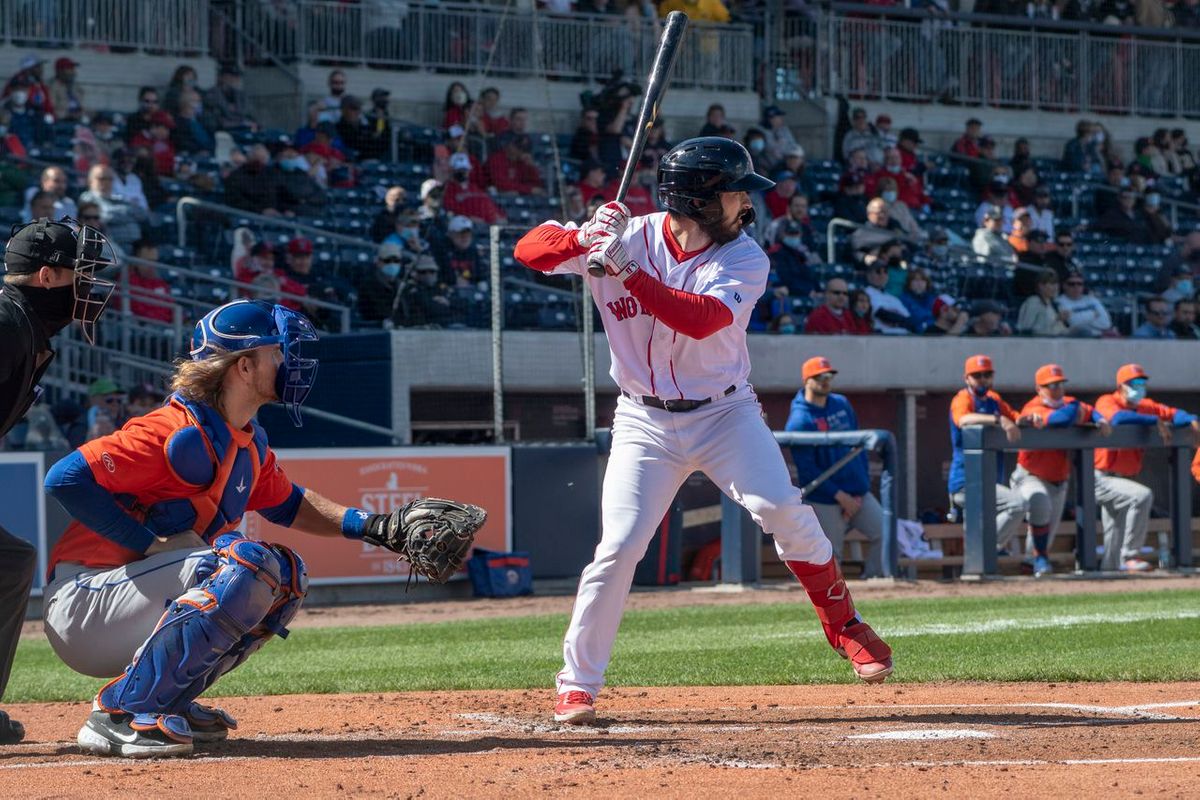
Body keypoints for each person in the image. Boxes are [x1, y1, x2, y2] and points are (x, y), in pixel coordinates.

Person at [513, 136, 893, 725]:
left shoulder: (744, 258)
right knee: (617, 549)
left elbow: (700, 319)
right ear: (698, 199)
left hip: (724, 413)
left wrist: (627, 270)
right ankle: (578, 683)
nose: (746, 204)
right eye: (736, 192)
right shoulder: (627, 235)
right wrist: (583, 237)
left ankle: (843, 624)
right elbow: (528, 251)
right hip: (643, 420)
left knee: (782, 510)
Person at [41, 299, 483, 757]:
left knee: (288, 575)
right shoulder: (169, 430)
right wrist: (149, 544)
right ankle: (120, 714)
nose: (291, 362)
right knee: (248, 564)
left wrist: (378, 527)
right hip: (84, 602)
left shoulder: (244, 440)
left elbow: (290, 504)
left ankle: (164, 697)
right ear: (245, 366)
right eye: (279, 353)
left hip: (127, 604)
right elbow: (64, 478)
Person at [0, 219, 118, 746]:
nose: (88, 290)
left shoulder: (23, 324)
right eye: (81, 276)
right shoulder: (7, 322)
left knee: (9, 561)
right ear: (47, 276)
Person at [785, 357, 885, 578]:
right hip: (824, 498)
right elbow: (808, 470)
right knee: (830, 554)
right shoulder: (800, 420)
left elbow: (857, 445)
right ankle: (836, 604)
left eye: (829, 376)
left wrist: (859, 489)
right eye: (819, 377)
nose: (825, 381)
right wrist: (840, 496)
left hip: (858, 493)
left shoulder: (841, 403)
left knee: (885, 532)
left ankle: (874, 584)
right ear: (806, 380)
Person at [1093, 364, 1199, 571]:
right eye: (1134, 383)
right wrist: (1152, 420)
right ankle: (1130, 555)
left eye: (1142, 383)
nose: (1139, 387)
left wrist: (1192, 420)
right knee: (1141, 496)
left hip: (1123, 480)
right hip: (1100, 478)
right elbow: (1117, 418)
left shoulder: (1145, 405)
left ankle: (1109, 577)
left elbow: (1175, 414)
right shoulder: (1107, 401)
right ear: (1121, 385)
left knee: (1114, 533)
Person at [1013, 364, 1110, 577]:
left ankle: (1032, 563)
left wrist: (1099, 419)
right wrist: (1077, 408)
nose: (1057, 389)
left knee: (1046, 529)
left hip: (1058, 479)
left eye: (1060, 384)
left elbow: (1092, 411)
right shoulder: (1033, 407)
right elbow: (1062, 419)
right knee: (1040, 504)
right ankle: (1039, 559)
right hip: (1030, 475)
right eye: (1051, 385)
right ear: (1039, 389)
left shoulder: (1068, 403)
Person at [948, 355, 1034, 554]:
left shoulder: (994, 399)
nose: (983, 379)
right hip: (965, 480)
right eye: (977, 376)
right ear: (967, 378)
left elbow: (1015, 417)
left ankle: (981, 557)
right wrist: (998, 420)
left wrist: (1028, 419)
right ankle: (986, 550)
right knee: (1017, 504)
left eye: (987, 375)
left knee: (975, 533)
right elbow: (963, 420)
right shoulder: (963, 398)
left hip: (988, 478)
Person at [1056, 271, 1112, 337]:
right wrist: (1093, 314)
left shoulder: (1092, 300)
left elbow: (1106, 323)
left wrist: (1081, 318)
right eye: (1071, 284)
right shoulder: (1059, 301)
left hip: (1097, 338)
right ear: (1064, 286)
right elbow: (1073, 322)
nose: (1076, 287)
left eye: (1079, 284)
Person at [804, 278, 869, 334]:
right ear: (826, 294)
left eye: (845, 293)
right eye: (836, 293)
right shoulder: (817, 316)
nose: (841, 296)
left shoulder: (849, 315)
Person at [1016, 269, 1069, 336]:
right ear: (1041, 286)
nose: (1055, 287)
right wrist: (1056, 319)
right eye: (1051, 284)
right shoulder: (1033, 302)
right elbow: (1027, 328)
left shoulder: (1055, 305)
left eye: (1056, 284)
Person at [48, 57, 85, 123]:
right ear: (60, 71)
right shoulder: (52, 87)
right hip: (60, 122)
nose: (73, 71)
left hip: (76, 119)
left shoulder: (75, 86)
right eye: (69, 69)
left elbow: (80, 105)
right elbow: (51, 109)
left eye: (73, 69)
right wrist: (67, 114)